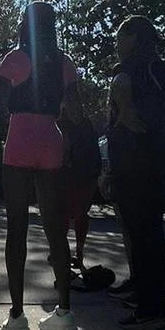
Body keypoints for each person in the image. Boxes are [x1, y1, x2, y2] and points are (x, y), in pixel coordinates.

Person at [0, 2, 80, 330]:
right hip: (51, 138)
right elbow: (75, 110)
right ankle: (65, 313)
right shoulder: (65, 62)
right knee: (55, 227)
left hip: (20, 138)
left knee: (17, 228)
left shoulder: (16, 57)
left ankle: (17, 316)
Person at [107, 15, 165, 330]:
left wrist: (130, 111)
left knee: (146, 234)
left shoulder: (147, 67)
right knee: (143, 233)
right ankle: (147, 300)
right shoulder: (151, 67)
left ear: (134, 37)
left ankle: (152, 310)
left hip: (141, 162)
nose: (117, 42)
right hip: (138, 161)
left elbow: (163, 110)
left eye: (120, 36)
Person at [61, 109, 102, 268]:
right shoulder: (63, 119)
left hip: (83, 171)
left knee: (78, 213)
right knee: (67, 213)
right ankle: (64, 250)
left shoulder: (83, 125)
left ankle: (76, 252)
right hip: (73, 171)